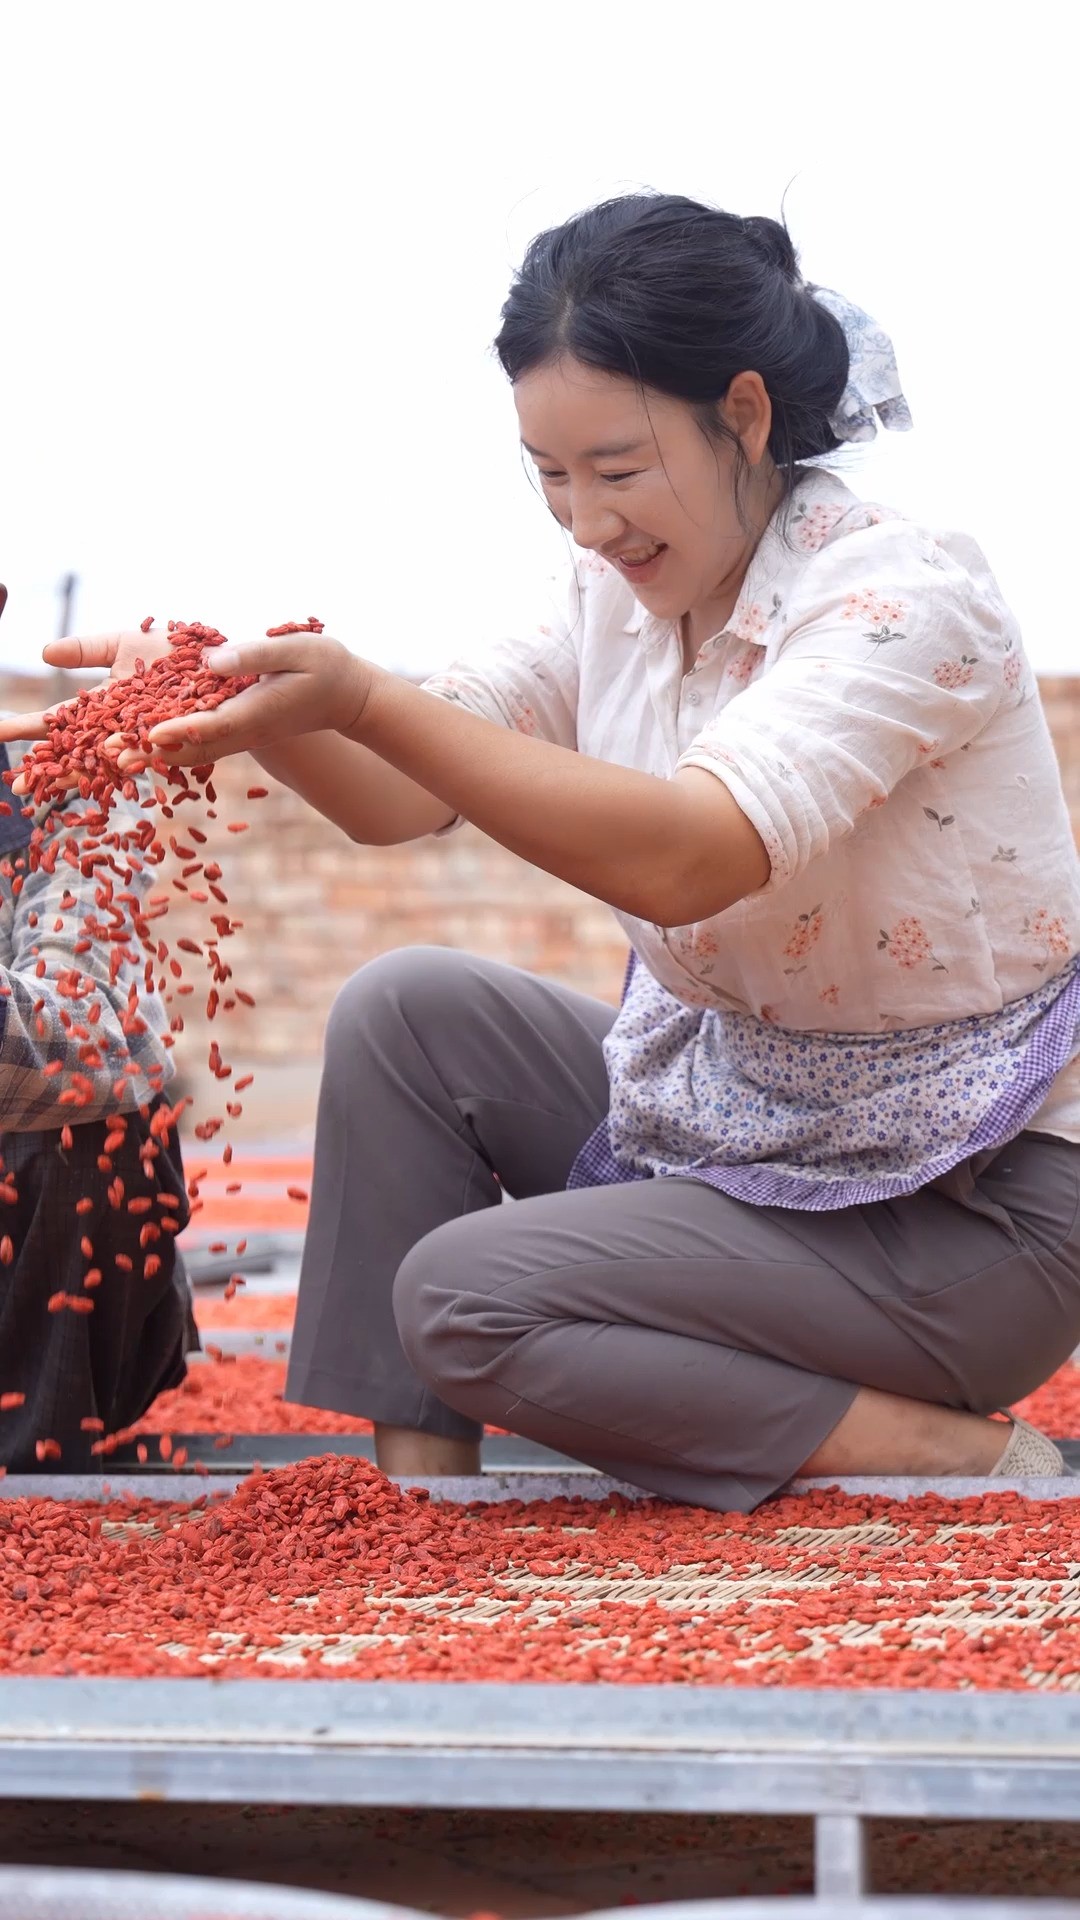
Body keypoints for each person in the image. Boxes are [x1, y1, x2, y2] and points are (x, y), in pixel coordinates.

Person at [11, 194, 1080, 1510]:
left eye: (618, 471)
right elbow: (405, 788)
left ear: (743, 416)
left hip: (976, 1216)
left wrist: (356, 695)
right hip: (748, 1129)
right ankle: (423, 1514)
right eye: (550, 476)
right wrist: (231, 699)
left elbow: (690, 857)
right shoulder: (616, 603)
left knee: (461, 1299)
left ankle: (953, 1453)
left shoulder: (902, 597)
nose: (585, 523)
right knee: (409, 1013)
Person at [0, 582, 192, 1472]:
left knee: (91, 1117)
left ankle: (36, 1450)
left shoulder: (65, 788)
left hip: (29, 1303)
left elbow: (93, 1034)